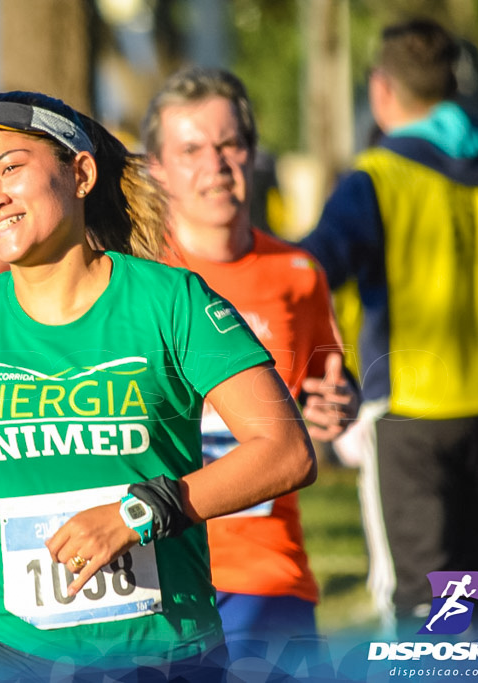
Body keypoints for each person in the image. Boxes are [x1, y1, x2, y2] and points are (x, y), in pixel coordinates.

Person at [0, 90, 317, 681]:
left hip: (160, 652)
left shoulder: (172, 302)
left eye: (10, 168)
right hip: (2, 647)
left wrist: (136, 514)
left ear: (81, 173)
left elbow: (286, 453)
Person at [299, 18, 478, 639]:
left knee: (426, 595)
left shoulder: (377, 179)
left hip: (413, 412)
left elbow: (311, 271)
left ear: (381, 90)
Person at [141, 66, 357, 661]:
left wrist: (337, 411)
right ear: (157, 168)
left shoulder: (298, 273)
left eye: (230, 143)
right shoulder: (132, 281)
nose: (215, 163)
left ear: (252, 154)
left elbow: (327, 392)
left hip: (269, 572)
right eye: (190, 149)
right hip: (154, 570)